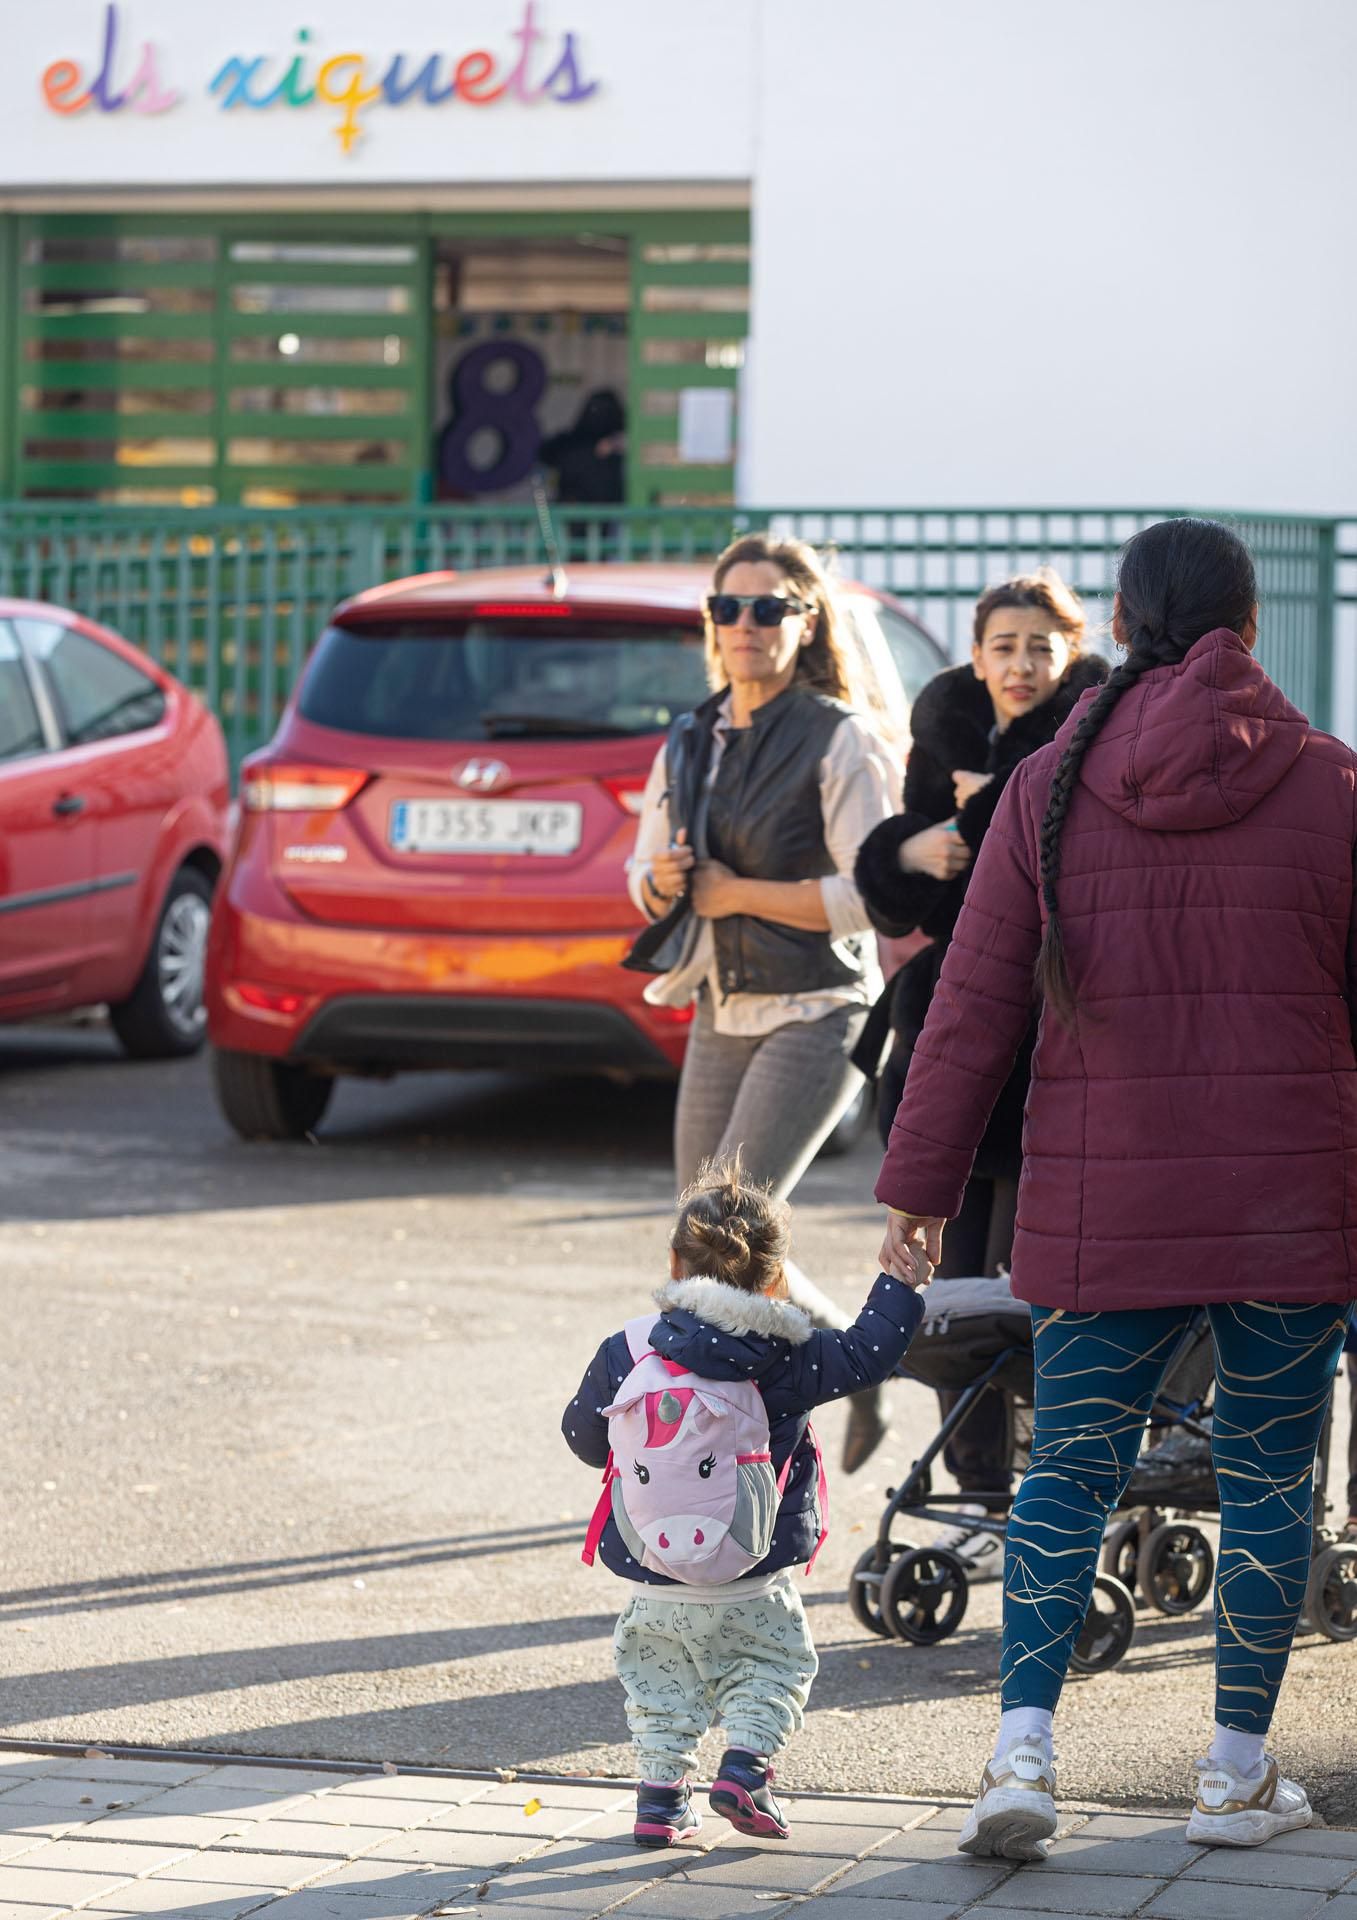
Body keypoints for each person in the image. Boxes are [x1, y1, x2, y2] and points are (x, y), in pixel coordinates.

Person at [875, 517, 1357, 1857]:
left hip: (1103, 1206)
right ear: (1249, 629)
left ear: (1124, 628)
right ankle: (1233, 1774)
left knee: (1064, 1476)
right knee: (1267, 1474)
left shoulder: (1051, 787)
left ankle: (1019, 1758)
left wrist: (915, 1186)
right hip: (1291, 1203)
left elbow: (969, 1009)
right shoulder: (1331, 780)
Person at [625, 533, 901, 1473]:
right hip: (724, 1005)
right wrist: (660, 879)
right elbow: (641, 875)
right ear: (711, 623)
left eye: (769, 608)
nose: (746, 626)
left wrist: (735, 893)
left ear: (806, 620)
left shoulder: (839, 736)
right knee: (704, 1240)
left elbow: (873, 893)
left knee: (723, 1231)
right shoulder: (689, 736)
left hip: (819, 1005)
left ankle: (740, 1427)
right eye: (728, 609)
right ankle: (851, 1372)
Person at [563, 1155, 927, 1847]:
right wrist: (900, 1279)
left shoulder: (626, 1350)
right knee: (773, 1667)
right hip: (754, 1572)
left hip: (651, 1571)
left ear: (674, 1263)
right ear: (775, 1277)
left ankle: (660, 1801)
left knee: (659, 1687)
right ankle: (744, 1767)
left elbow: (583, 1438)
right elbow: (871, 1351)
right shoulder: (787, 1356)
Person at [854, 571, 1106, 1573]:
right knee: (951, 1297)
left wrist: (996, 799)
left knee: (1031, 1290)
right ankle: (976, 1497)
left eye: (1038, 647)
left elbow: (1069, 853)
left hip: (1051, 1048)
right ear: (975, 651)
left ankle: (1048, 1497)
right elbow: (908, 897)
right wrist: (913, 842)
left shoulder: (1095, 732)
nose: (1018, 666)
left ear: (1070, 653)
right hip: (957, 1046)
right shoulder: (947, 726)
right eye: (1001, 645)